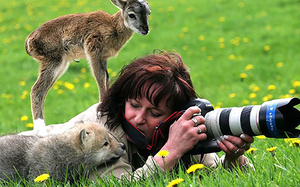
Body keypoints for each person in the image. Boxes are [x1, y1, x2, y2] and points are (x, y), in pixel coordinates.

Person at [20, 51, 254, 180]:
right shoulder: (100, 132)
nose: (138, 118)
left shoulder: (178, 128)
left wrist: (234, 158)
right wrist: (170, 151)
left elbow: (215, 173)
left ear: (175, 116)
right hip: (18, 158)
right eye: (134, 104)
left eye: (154, 112)